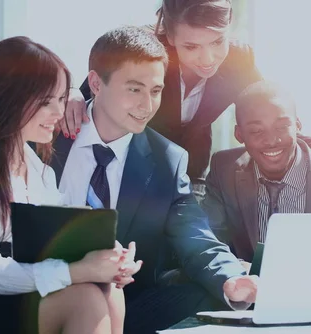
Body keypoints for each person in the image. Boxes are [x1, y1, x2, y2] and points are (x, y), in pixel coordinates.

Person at [51, 26, 257, 334]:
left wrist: (230, 278)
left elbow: (196, 236)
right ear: (95, 83)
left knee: (210, 294)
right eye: (134, 89)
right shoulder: (45, 135)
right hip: (37, 292)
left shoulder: (168, 160)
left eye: (156, 91)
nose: (147, 106)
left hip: (121, 303)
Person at [61, 0, 311, 200]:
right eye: (191, 47)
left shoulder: (239, 59)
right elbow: (98, 88)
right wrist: (71, 94)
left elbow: (269, 114)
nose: (208, 59)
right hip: (131, 167)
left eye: (217, 42)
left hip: (192, 168)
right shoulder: (145, 53)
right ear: (169, 36)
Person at [0, 36, 138, 334]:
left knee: (109, 289)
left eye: (61, 99)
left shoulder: (38, 168)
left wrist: (113, 255)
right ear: (6, 98)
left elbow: (70, 229)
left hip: (19, 294)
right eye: (46, 102)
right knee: (84, 297)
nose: (59, 113)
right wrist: (77, 271)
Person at [202, 81, 311, 263]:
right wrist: (239, 273)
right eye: (256, 131)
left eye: (281, 127)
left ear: (298, 126)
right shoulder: (224, 170)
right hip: (249, 288)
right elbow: (208, 243)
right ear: (239, 135)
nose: (271, 140)